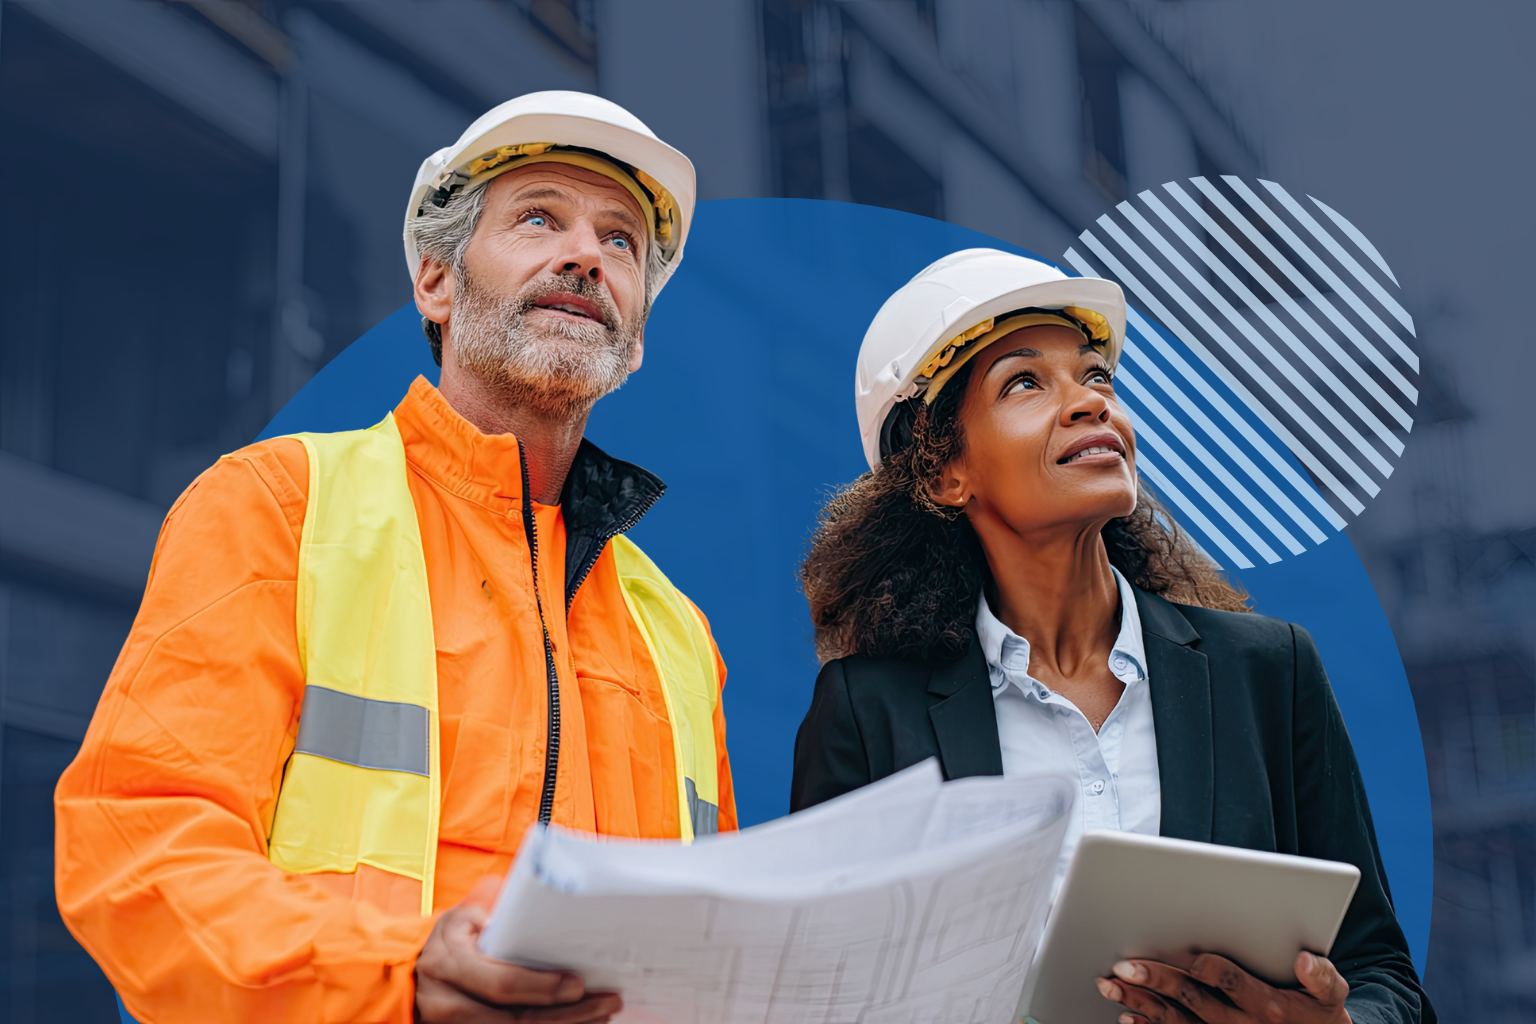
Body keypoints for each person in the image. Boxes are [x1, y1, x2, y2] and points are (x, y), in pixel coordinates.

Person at [55, 91, 735, 1024]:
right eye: (539, 217)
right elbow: (137, 842)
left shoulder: (678, 634)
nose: (587, 254)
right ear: (436, 282)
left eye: (621, 240)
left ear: (637, 327)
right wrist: (395, 976)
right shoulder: (279, 507)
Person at [791, 249, 1432, 1024]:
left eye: (1095, 377)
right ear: (943, 474)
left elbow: (1383, 974)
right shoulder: (867, 713)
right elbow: (818, 996)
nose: (1091, 403)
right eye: (1025, 382)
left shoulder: (1269, 673)